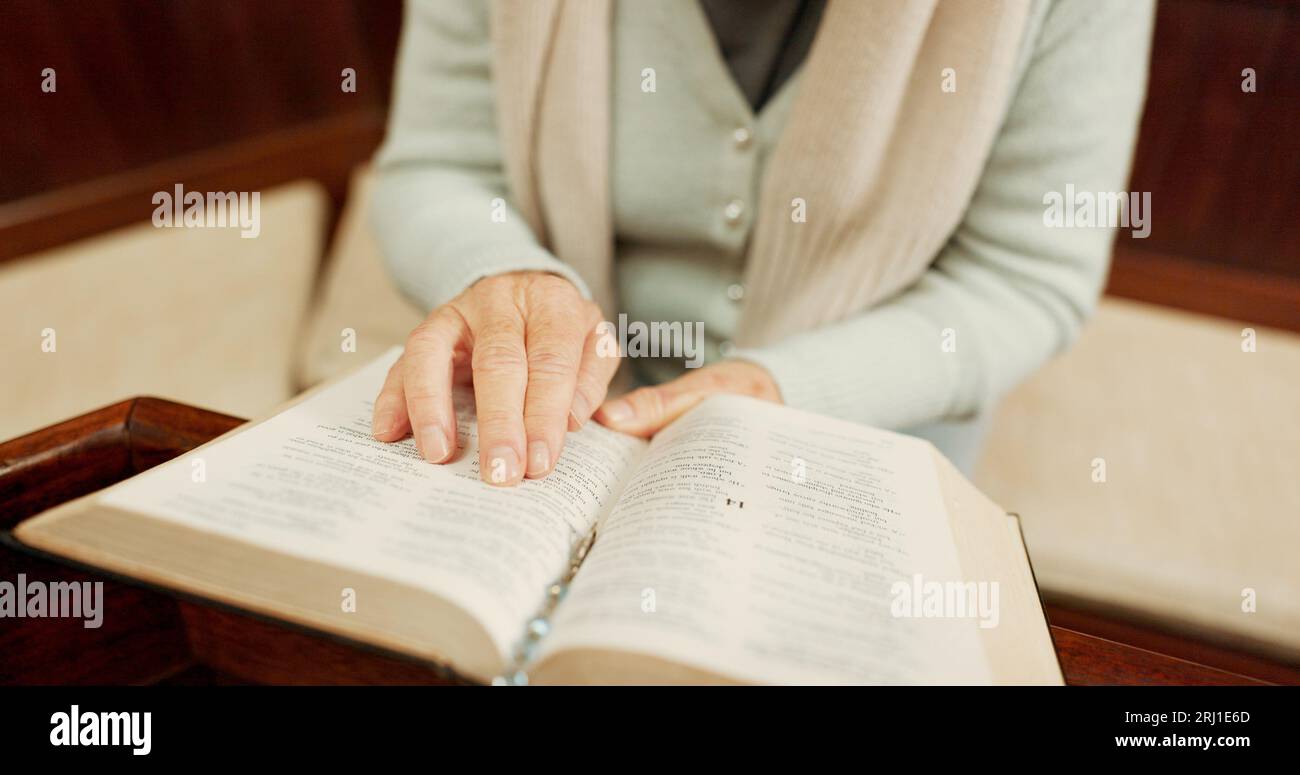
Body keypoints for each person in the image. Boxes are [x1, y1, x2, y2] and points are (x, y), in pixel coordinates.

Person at [370, 0, 1154, 485]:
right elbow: (435, 164)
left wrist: (785, 386)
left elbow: (1026, 274)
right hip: (572, 441)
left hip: (861, 452)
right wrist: (506, 276)